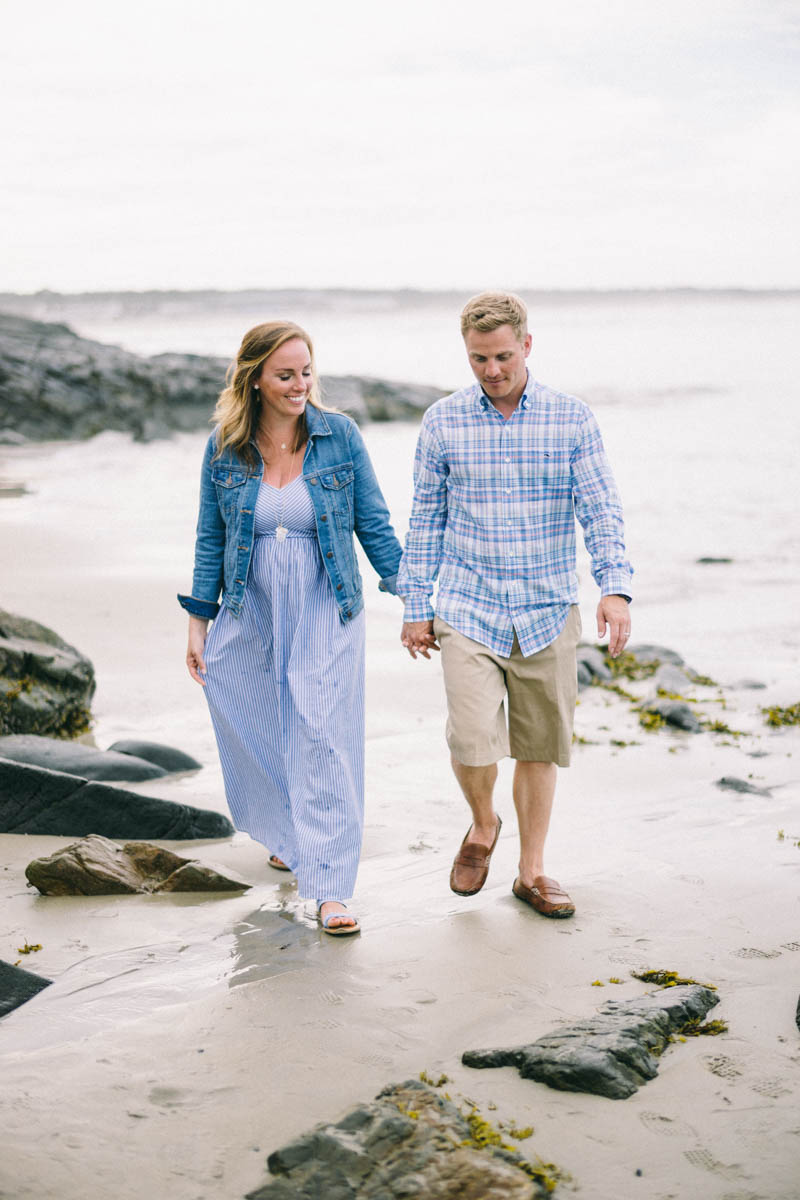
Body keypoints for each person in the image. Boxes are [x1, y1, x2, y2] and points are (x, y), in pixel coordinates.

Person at [397, 291, 633, 918]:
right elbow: (425, 521)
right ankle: (482, 824)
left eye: (502, 356)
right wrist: (414, 604)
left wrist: (614, 588)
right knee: (472, 739)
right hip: (467, 606)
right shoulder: (443, 421)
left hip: (547, 607)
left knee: (538, 746)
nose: (492, 370)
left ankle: (532, 872)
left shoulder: (572, 419)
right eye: (479, 359)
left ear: (527, 345)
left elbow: (600, 508)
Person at [179, 321, 403, 936]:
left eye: (306, 372)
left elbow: (375, 526)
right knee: (250, 715)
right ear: (254, 379)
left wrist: (417, 599)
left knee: (321, 734)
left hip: (324, 607)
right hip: (250, 610)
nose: (300, 385)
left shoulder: (341, 438)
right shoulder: (225, 447)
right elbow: (210, 538)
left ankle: (330, 888)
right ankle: (287, 830)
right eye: (285, 375)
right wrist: (199, 622)